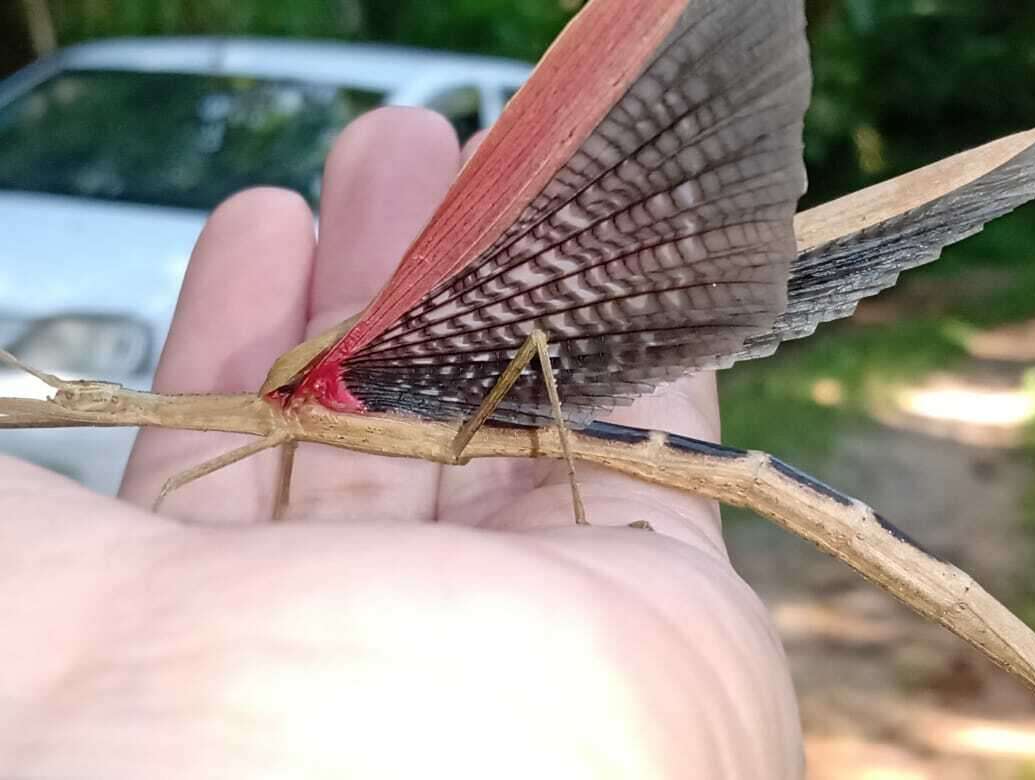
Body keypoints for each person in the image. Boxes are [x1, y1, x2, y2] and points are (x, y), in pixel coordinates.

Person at [0, 107, 802, 778]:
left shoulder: (281, 406)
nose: (85, 402)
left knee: (535, 360)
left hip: (550, 433)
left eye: (85, 398)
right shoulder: (267, 424)